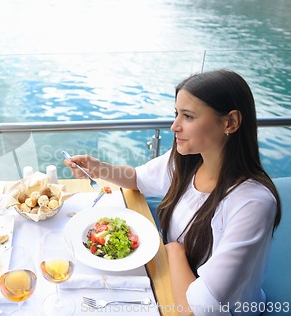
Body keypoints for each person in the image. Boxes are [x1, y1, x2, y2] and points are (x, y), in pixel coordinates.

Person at [64, 69, 281, 315]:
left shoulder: (251, 203)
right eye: (176, 113)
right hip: (172, 276)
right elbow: (137, 178)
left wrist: (174, 250)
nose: (173, 126)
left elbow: (195, 309)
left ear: (230, 122)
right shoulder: (188, 162)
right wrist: (98, 168)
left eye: (187, 116)